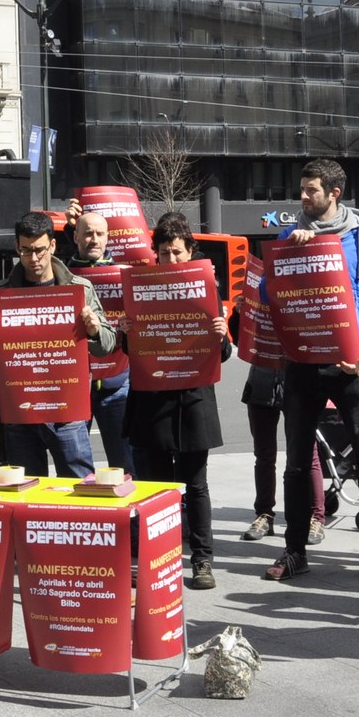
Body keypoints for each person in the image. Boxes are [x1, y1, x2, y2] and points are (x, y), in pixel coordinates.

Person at [263, 159, 359, 585]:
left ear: (334, 193)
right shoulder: (288, 235)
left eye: (311, 191)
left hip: (352, 367)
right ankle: (295, 550)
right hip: (302, 362)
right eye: (302, 189)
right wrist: (291, 251)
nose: (303, 198)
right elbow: (268, 293)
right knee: (297, 464)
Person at [124, 212, 231, 590]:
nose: (170, 260)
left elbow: (221, 355)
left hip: (192, 402)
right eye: (164, 253)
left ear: (190, 252)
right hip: (152, 401)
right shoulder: (142, 286)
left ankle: (202, 561)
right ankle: (159, 558)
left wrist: (221, 335)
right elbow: (132, 351)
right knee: (154, 487)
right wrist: (128, 334)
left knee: (195, 486)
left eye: (176, 253)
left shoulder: (206, 288)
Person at [0, 211, 115, 477]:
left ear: (52, 245)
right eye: (26, 250)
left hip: (67, 409)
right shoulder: (3, 292)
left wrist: (95, 330)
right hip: (20, 411)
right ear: (17, 248)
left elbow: (106, 346)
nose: (33, 258)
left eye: (40, 250)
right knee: (25, 491)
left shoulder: (80, 289)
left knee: (78, 487)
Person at [63, 205, 135, 474]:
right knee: (75, 468)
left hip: (118, 383)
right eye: (88, 233)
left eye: (100, 234)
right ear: (76, 237)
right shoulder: (61, 276)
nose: (94, 239)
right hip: (75, 384)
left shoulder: (125, 274)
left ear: (108, 238)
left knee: (126, 465)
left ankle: (129, 517)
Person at [238, 354, 326, 545]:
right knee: (263, 455)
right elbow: (241, 336)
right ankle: (264, 514)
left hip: (298, 381)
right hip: (262, 380)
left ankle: (317, 518)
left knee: (306, 455)